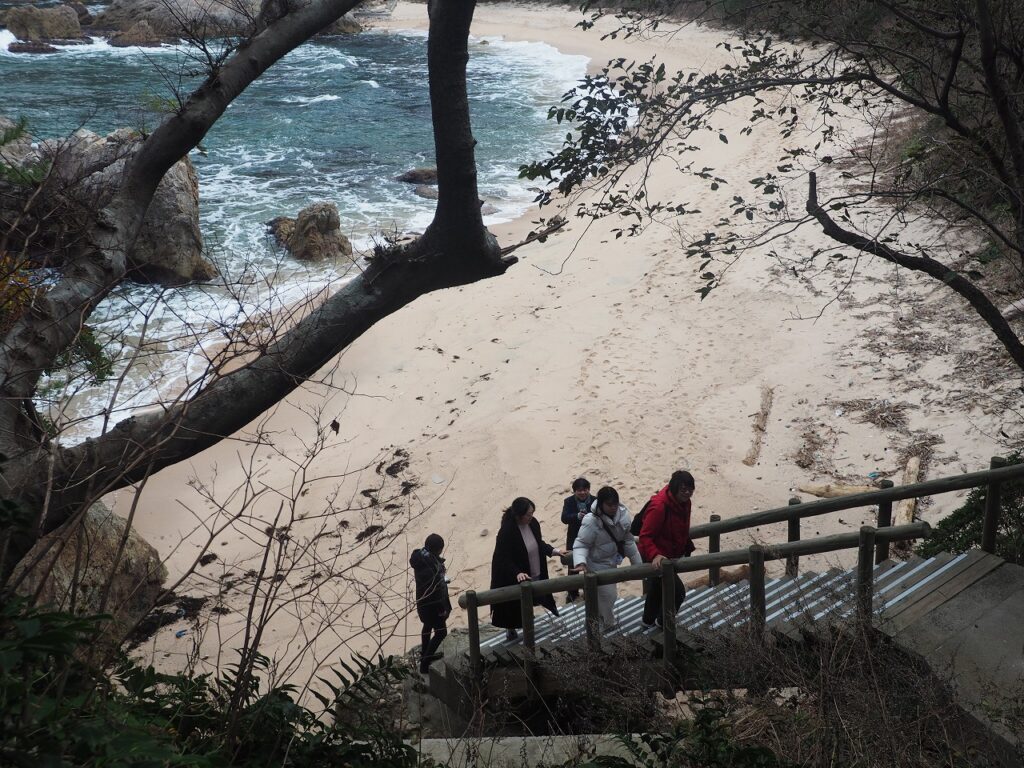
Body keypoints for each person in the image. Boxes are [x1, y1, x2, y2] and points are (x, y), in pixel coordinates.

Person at [489, 496, 565, 641]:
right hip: (514, 574)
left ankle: (530, 631)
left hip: (534, 566)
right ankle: (512, 630)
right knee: (514, 605)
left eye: (532, 513)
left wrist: (554, 551)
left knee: (534, 597)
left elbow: (538, 543)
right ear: (518, 516)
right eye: (528, 514)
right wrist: (517, 572)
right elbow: (503, 558)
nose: (531, 516)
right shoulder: (506, 531)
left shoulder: (533, 523)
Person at [571, 485, 642, 630]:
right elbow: (581, 544)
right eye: (609, 505)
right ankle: (608, 624)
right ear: (601, 504)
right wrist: (580, 562)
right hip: (595, 564)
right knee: (607, 596)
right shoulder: (591, 521)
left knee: (606, 596)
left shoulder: (623, 516)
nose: (613, 508)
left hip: (611, 562)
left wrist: (638, 564)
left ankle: (595, 623)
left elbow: (628, 540)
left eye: (615, 504)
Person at [638, 470, 696, 627]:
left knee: (657, 588)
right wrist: (655, 555)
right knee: (678, 592)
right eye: (683, 489)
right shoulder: (659, 507)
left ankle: (647, 621)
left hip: (670, 553)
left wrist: (686, 545)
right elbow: (645, 536)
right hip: (656, 555)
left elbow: (682, 525)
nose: (687, 493)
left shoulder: (684, 502)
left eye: (690, 489)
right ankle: (664, 622)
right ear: (674, 487)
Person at [409, 533, 452, 674]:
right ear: (436, 549)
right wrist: (442, 609)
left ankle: (425, 653)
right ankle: (425, 662)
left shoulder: (422, 558)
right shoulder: (429, 568)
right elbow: (435, 591)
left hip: (423, 603)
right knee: (441, 633)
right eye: (440, 549)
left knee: (427, 626)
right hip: (433, 605)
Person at [560, 477, 594, 603]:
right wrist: (576, 516)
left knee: (591, 565)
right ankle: (572, 594)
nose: (582, 493)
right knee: (573, 567)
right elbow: (564, 518)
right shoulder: (568, 501)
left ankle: (589, 591)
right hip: (574, 538)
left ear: (588, 490)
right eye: (579, 490)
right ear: (574, 491)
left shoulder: (595, 501)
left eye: (585, 490)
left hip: (591, 538)